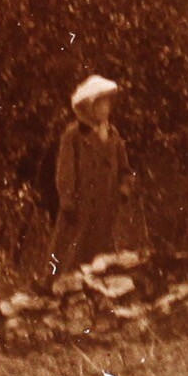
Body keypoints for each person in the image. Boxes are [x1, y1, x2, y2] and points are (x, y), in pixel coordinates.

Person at [48, 74, 133, 280]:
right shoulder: (74, 135)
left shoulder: (113, 135)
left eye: (108, 104)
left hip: (106, 205)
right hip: (80, 205)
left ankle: (93, 289)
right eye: (101, 104)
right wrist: (68, 200)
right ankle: (53, 285)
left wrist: (123, 190)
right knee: (68, 250)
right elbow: (65, 171)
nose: (106, 109)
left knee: (100, 255)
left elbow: (125, 169)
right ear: (89, 106)